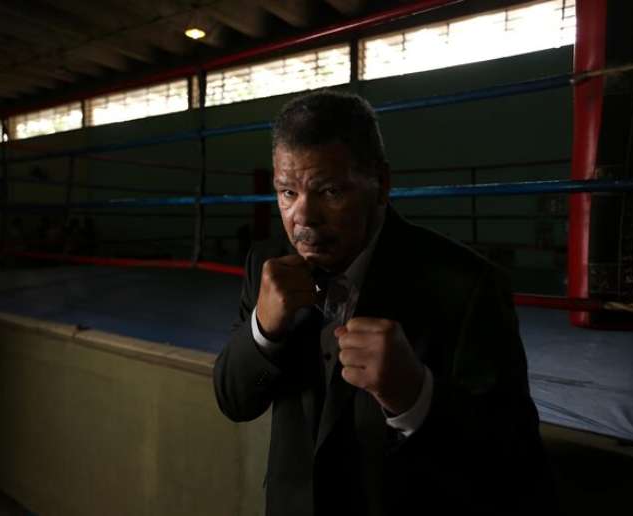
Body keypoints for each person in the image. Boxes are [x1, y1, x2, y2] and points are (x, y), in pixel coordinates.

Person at [213, 90, 554, 515]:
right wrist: (263, 333)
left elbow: (517, 462)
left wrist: (415, 397)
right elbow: (234, 400)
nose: (303, 216)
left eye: (330, 191)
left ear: (381, 185)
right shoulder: (267, 265)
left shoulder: (465, 286)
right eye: (287, 193)